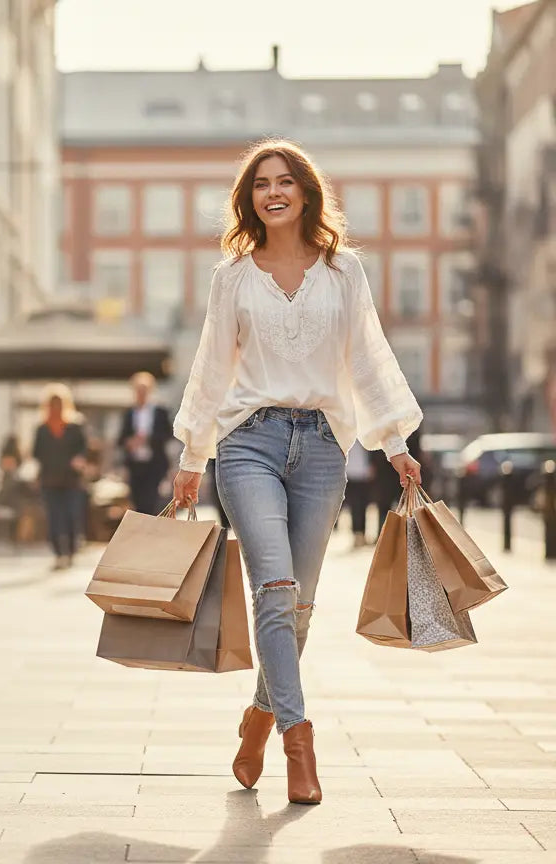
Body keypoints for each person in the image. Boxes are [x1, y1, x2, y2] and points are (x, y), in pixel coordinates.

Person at [170, 140, 422, 805]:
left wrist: (393, 441)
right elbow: (211, 367)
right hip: (247, 443)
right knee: (275, 589)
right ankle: (298, 740)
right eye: (261, 184)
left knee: (300, 608)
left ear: (306, 193)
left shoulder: (343, 273)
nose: (273, 192)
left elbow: (367, 357)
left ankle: (256, 719)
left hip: (319, 451)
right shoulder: (233, 277)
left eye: (285, 182)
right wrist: (193, 455)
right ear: (249, 199)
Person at [32, 383, 88, 570]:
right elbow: (36, 453)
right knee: (54, 518)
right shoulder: (42, 428)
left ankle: (71, 552)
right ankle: (58, 553)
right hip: (50, 479)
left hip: (71, 479)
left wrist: (80, 459)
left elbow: (84, 449)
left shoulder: (74, 426)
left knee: (72, 515)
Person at [117, 371, 173, 515]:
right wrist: (130, 442)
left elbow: (168, 434)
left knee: (153, 501)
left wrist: (148, 439)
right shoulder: (129, 412)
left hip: (155, 464)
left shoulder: (160, 411)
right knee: (137, 502)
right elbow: (121, 438)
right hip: (135, 465)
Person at [344, 441, 374, 548]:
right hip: (350, 474)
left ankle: (362, 534)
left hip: (364, 474)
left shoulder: (363, 434)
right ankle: (357, 535)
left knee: (363, 506)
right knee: (355, 506)